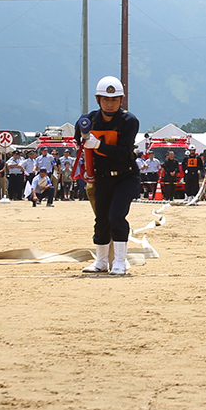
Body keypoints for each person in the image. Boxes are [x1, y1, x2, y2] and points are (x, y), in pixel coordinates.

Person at [78, 75, 141, 275]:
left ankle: (120, 262)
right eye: (106, 99)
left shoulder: (129, 121)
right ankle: (101, 261)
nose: (110, 104)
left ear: (121, 100)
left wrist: (98, 144)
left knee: (117, 215)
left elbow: (123, 153)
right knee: (102, 219)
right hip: (103, 177)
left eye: (115, 100)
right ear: (98, 100)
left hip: (125, 176)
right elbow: (77, 137)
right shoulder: (90, 119)